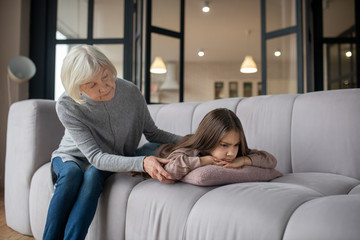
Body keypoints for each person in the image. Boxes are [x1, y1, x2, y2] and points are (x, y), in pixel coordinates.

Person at [43, 45, 181, 240]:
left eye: (106, 76)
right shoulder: (67, 104)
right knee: (73, 175)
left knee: (92, 177)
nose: (104, 87)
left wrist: (192, 140)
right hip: (72, 157)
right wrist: (142, 162)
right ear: (78, 87)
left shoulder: (131, 92)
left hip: (109, 159)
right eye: (92, 85)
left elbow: (152, 132)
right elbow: (95, 157)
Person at [156, 108, 277, 180]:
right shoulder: (191, 151)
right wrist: (206, 160)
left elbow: (271, 160)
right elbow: (170, 170)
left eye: (236, 145)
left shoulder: (237, 155)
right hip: (155, 148)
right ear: (209, 139)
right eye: (224, 145)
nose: (231, 153)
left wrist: (243, 160)